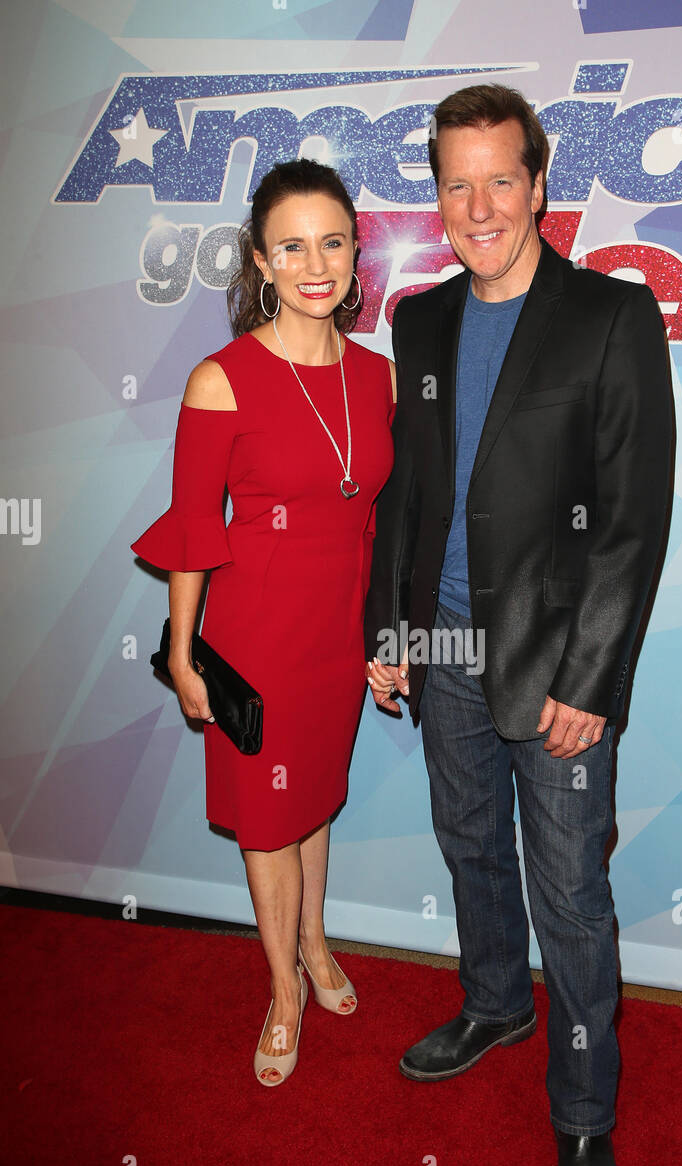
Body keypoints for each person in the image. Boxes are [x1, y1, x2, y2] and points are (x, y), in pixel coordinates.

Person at [365, 84, 674, 1166]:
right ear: (437, 196)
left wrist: (590, 681)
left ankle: (584, 1115)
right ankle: (494, 1004)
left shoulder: (609, 317)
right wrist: (388, 628)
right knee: (467, 849)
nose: (479, 203)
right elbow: (408, 494)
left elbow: (632, 519)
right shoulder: (421, 322)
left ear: (540, 185)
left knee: (573, 900)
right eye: (457, 182)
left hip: (554, 670)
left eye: (501, 177)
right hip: (442, 651)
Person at [132, 159, 395, 1087]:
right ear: (260, 259)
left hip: (336, 642)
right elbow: (196, 534)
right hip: (257, 643)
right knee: (265, 826)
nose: (314, 263)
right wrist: (181, 650)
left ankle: (316, 945)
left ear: (357, 253)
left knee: (313, 800)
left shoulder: (378, 378)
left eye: (332, 242)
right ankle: (283, 989)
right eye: (292, 245)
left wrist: (379, 640)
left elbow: (375, 525)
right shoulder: (224, 379)